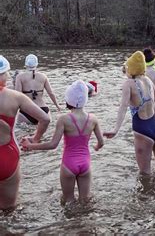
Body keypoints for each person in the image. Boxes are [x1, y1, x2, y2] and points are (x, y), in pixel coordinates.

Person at [21, 80, 104, 204]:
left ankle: (70, 223)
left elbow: (52, 145)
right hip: (85, 164)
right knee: (85, 201)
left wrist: (30, 146)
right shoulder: (93, 119)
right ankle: (84, 222)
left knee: (68, 201)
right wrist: (96, 147)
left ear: (69, 99)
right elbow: (101, 142)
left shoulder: (64, 119)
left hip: (69, 164)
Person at [0, 56, 50, 210]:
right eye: (6, 72)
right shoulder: (15, 97)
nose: (8, 76)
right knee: (9, 208)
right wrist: (35, 139)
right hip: (7, 155)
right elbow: (45, 119)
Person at [105, 52, 155, 174]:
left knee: (145, 174)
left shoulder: (128, 84)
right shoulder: (148, 80)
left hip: (142, 130)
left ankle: (149, 193)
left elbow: (123, 107)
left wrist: (115, 129)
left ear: (131, 69)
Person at [15, 54, 61, 125]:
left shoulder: (20, 77)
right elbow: (51, 93)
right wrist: (57, 106)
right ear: (37, 64)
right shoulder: (43, 76)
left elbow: (17, 95)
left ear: (26, 64)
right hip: (43, 111)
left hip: (26, 112)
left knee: (23, 132)